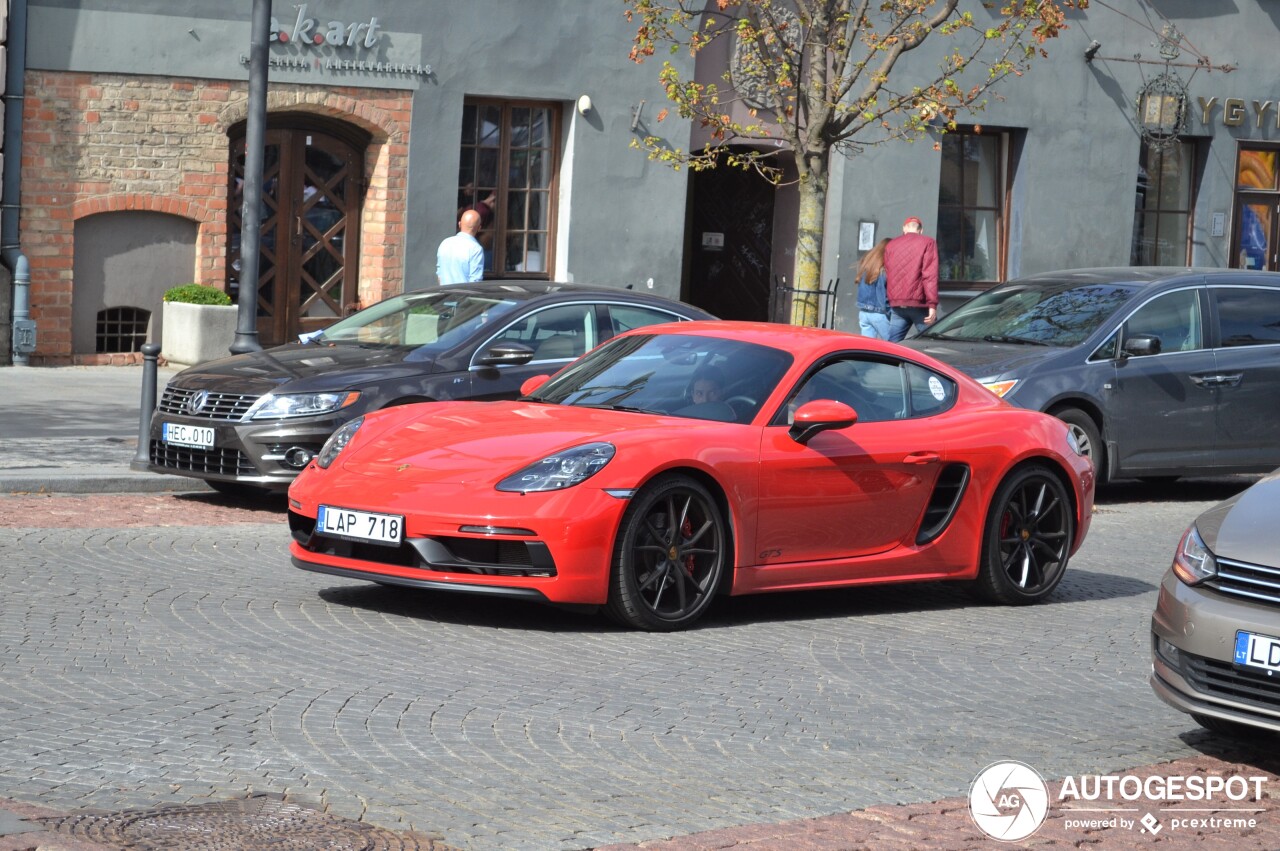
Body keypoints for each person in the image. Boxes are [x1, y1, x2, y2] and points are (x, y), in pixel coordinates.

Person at [883, 216, 939, 342]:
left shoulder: (891, 245)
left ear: (904, 228)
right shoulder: (928, 242)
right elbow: (930, 275)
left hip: (897, 303)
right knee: (933, 344)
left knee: (893, 347)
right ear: (921, 230)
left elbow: (888, 271)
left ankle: (889, 362)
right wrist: (932, 306)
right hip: (919, 303)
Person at [854, 238, 892, 339]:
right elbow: (882, 295)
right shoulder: (882, 271)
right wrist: (890, 311)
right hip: (879, 313)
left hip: (864, 312)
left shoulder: (867, 265)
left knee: (867, 348)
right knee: (894, 347)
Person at [436, 208, 484, 285]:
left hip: (445, 294)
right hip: (464, 296)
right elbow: (475, 282)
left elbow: (439, 276)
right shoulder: (476, 249)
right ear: (479, 228)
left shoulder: (445, 243)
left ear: (459, 224)